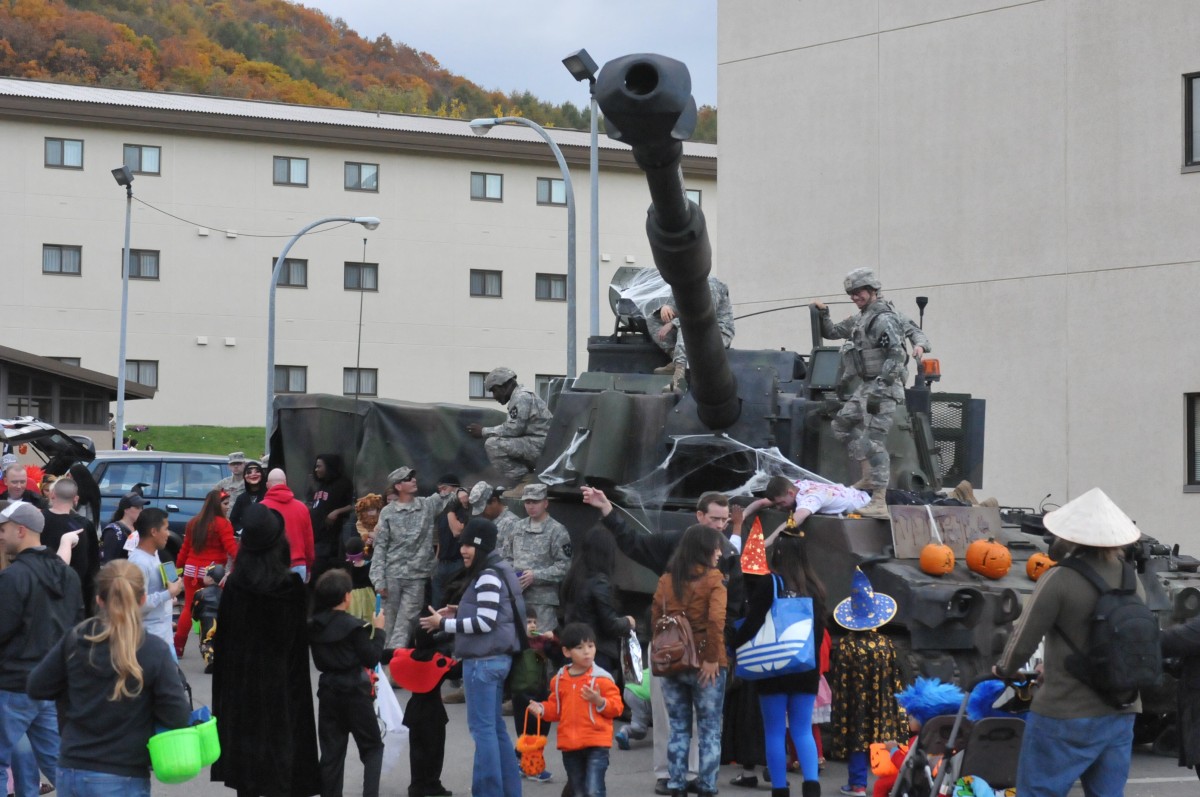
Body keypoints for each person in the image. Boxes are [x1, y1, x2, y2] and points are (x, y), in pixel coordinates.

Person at [582, 485, 743, 794]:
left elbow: (726, 610)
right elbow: (633, 543)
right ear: (699, 516)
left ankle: (681, 778)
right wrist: (606, 510)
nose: (720, 527)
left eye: (725, 520)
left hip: (678, 651)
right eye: (715, 519)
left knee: (685, 723)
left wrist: (666, 648)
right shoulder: (691, 554)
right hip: (693, 654)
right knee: (690, 723)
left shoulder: (704, 563)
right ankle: (685, 779)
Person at [993, 487, 1144, 797]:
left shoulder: (1060, 578)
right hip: (1122, 709)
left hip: (1064, 712)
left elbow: (1023, 640)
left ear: (1069, 537)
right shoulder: (1133, 580)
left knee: (1039, 791)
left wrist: (1004, 670)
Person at [26, 560, 192, 797]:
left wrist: (69, 695)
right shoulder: (153, 650)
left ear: (99, 600)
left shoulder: (76, 639)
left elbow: (36, 686)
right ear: (143, 600)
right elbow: (177, 715)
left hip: (72, 767)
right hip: (123, 772)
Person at [210, 503, 321, 797]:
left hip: (241, 691)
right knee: (280, 771)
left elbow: (223, 646)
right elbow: (298, 650)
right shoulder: (291, 587)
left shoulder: (235, 586)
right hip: (281, 690)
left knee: (246, 776)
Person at [418, 517, 525, 797]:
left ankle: (487, 792)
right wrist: (457, 610)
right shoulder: (498, 569)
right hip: (496, 660)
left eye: (469, 545)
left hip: (484, 663)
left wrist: (443, 625)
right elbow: (492, 612)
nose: (463, 550)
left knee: (483, 731)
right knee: (495, 729)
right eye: (462, 543)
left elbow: (484, 622)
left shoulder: (488, 574)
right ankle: (509, 791)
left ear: (483, 547)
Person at [733, 524, 826, 797]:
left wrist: (732, 644)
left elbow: (752, 625)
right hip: (806, 668)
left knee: (774, 731)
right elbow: (818, 634)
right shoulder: (815, 587)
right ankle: (811, 788)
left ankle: (780, 789)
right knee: (802, 730)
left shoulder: (769, 583)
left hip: (772, 666)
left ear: (779, 553)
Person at [811, 268, 913, 517]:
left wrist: (880, 388)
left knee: (872, 442)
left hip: (883, 388)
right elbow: (833, 332)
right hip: (866, 386)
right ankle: (869, 476)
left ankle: (879, 500)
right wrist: (824, 314)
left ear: (872, 290)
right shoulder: (861, 318)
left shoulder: (883, 319)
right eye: (852, 293)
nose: (854, 297)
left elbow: (897, 356)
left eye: (858, 292)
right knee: (841, 425)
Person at [0, 501, 83, 797]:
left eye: (4, 529)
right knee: (58, 762)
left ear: (21, 531)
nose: (0, 535)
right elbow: (78, 628)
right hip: (49, 685)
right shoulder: (66, 575)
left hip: (13, 684)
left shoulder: (13, 577)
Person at [651, 524, 728, 797]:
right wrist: (710, 658)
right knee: (709, 730)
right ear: (705, 550)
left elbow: (655, 621)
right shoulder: (714, 580)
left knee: (679, 728)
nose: (720, 552)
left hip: (672, 662)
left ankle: (676, 785)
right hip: (707, 667)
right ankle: (707, 787)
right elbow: (715, 622)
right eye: (716, 547)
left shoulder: (666, 580)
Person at [828, 568, 906, 797]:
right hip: (882, 703)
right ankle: (889, 783)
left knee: (857, 741)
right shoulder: (886, 644)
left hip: (854, 704)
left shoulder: (846, 645)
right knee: (884, 739)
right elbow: (895, 676)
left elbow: (839, 679)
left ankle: (857, 785)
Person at [309, 569, 386, 797]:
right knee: (372, 748)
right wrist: (379, 630)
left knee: (331, 754)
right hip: (355, 690)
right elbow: (371, 657)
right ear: (346, 596)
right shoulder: (355, 627)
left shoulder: (314, 625)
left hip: (328, 690)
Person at [530, 622, 624, 797]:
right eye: (580, 648)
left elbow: (617, 708)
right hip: (570, 746)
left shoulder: (602, 679)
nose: (587, 651)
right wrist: (542, 709)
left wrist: (599, 701)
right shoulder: (559, 680)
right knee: (578, 790)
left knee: (594, 790)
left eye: (590, 646)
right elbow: (556, 709)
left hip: (596, 743)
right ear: (567, 652)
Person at [370, 467, 458, 649]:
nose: (414, 480)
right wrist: (378, 580)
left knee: (405, 625)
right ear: (398, 486)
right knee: (387, 624)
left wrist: (462, 492)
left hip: (416, 579)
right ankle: (383, 667)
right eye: (408, 478)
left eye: (413, 477)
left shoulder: (426, 505)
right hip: (391, 577)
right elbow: (380, 548)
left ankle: (392, 668)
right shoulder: (388, 512)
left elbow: (452, 496)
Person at [560, 528, 636, 688]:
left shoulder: (573, 577)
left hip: (575, 649)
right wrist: (628, 622)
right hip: (596, 652)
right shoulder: (600, 582)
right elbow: (609, 624)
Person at [173, 489, 237, 657]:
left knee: (188, 608)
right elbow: (232, 549)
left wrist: (178, 567)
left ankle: (178, 646)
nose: (228, 507)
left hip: (191, 571)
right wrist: (241, 564)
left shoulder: (193, 522)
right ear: (217, 505)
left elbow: (185, 549)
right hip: (213, 573)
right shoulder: (223, 524)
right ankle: (215, 647)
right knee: (216, 610)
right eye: (225, 503)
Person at [501, 483, 571, 633]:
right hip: (516, 597)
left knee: (539, 646)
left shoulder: (557, 531)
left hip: (541, 602)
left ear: (545, 503)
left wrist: (535, 575)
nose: (531, 506)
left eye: (535, 502)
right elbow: (506, 557)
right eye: (527, 502)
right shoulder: (517, 527)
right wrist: (512, 576)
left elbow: (564, 566)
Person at [646, 275, 735, 390]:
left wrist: (674, 323)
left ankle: (678, 378)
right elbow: (675, 307)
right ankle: (676, 357)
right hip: (694, 327)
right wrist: (665, 307)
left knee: (687, 327)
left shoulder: (711, 285)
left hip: (718, 331)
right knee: (652, 319)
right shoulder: (681, 284)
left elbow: (705, 316)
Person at [465, 367, 554, 482]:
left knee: (493, 444)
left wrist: (483, 431)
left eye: (494, 390)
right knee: (501, 441)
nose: (494, 396)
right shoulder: (519, 396)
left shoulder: (521, 397)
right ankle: (527, 478)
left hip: (541, 445)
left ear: (505, 386)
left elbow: (513, 429)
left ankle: (524, 481)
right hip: (540, 444)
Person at [127, 508, 183, 655]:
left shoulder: (155, 554)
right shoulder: (138, 563)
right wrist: (168, 594)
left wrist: (171, 594)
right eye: (166, 528)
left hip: (164, 638)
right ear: (153, 531)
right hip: (150, 643)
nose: (168, 534)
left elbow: (155, 590)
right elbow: (136, 604)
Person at [41, 478, 99, 617]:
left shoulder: (37, 520)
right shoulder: (81, 528)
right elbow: (88, 569)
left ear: (52, 494)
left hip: (39, 592)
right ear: (76, 499)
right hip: (71, 598)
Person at [261, 468, 316, 583]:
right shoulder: (302, 508)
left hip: (270, 567)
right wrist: (309, 567)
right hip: (298, 566)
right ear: (285, 483)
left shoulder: (261, 509)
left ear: (267, 485)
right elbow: (309, 542)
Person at [756, 475, 883, 524]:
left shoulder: (809, 499)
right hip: (865, 495)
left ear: (790, 493)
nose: (778, 508)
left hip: (877, 502)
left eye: (781, 503)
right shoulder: (799, 486)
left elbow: (792, 523)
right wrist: (744, 514)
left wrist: (765, 543)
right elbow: (763, 502)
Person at [308, 454, 354, 581]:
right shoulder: (319, 485)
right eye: (315, 467)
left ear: (329, 467)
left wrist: (337, 511)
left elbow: (354, 505)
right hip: (315, 536)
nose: (316, 469)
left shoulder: (343, 484)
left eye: (319, 466)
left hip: (331, 539)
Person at [432, 481, 469, 611]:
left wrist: (451, 510)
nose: (442, 492)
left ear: (455, 489)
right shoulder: (442, 513)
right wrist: (437, 561)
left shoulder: (464, 510)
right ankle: (436, 629)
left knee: (454, 605)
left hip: (458, 564)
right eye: (439, 489)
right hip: (441, 564)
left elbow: (457, 532)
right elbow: (440, 540)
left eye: (445, 488)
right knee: (437, 606)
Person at [98, 492, 145, 565]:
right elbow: (107, 562)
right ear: (126, 510)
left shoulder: (139, 528)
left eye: (142, 507)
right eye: (137, 508)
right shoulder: (113, 531)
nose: (141, 510)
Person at [193, 563, 224, 673]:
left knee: (206, 642)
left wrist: (196, 618)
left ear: (210, 578)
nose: (204, 576)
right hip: (221, 620)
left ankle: (211, 661)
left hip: (207, 621)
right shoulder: (224, 593)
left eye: (206, 575)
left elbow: (195, 608)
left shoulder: (200, 593)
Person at [228, 459, 266, 532]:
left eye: (257, 471)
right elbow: (233, 520)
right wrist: (242, 531)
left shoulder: (268, 495)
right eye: (249, 472)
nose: (253, 474)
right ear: (244, 476)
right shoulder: (241, 498)